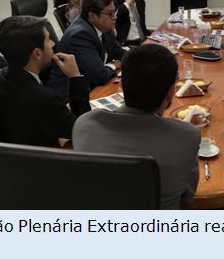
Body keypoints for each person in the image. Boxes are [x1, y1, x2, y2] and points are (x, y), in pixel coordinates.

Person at [73, 44, 200, 209]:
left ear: (121, 85)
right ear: (171, 92)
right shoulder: (187, 136)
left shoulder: (85, 124)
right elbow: (188, 198)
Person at [0, 16, 90, 146]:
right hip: (39, 161)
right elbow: (83, 131)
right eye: (49, 40)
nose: (53, 44)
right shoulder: (45, 100)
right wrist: (75, 76)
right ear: (37, 53)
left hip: (6, 155)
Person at [47, 0, 124, 98]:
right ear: (92, 16)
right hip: (68, 98)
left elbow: (117, 51)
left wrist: (137, 59)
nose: (115, 17)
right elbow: (100, 76)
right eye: (110, 14)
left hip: (91, 87)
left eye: (114, 12)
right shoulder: (80, 35)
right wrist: (112, 65)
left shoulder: (105, 26)